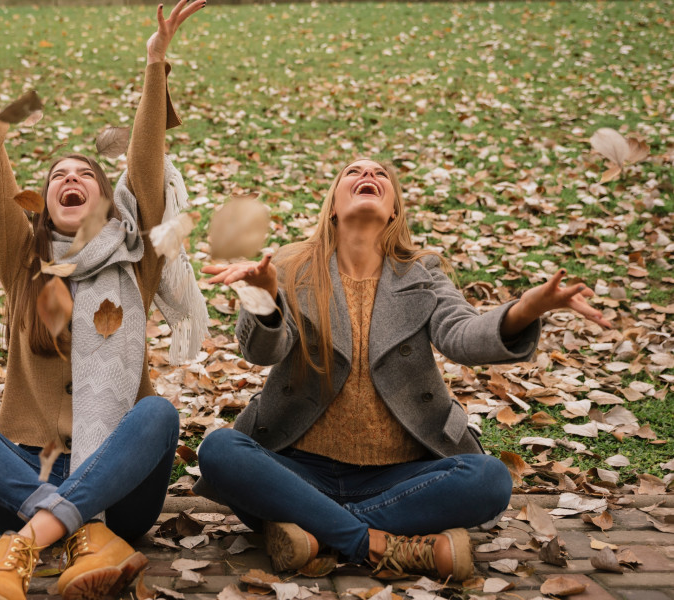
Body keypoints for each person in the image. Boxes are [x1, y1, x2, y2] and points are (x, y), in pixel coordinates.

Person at [0, 2, 208, 599]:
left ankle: (29, 544)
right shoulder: (23, 261)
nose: (70, 180)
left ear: (107, 197)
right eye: (56, 177)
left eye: (85, 175)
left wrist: (156, 63)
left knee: (158, 415)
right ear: (42, 201)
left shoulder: (135, 256)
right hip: (25, 474)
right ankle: (74, 532)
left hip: (119, 485)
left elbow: (145, 164)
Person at [197, 159, 612, 582]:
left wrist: (527, 308)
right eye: (352, 172)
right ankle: (375, 543)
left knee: (489, 479)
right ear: (333, 206)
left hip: (400, 479)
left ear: (393, 209)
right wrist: (264, 298)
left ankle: (315, 531)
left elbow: (463, 336)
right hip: (300, 469)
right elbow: (262, 352)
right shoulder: (289, 266)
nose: (368, 177)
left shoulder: (421, 273)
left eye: (380, 175)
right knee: (220, 451)